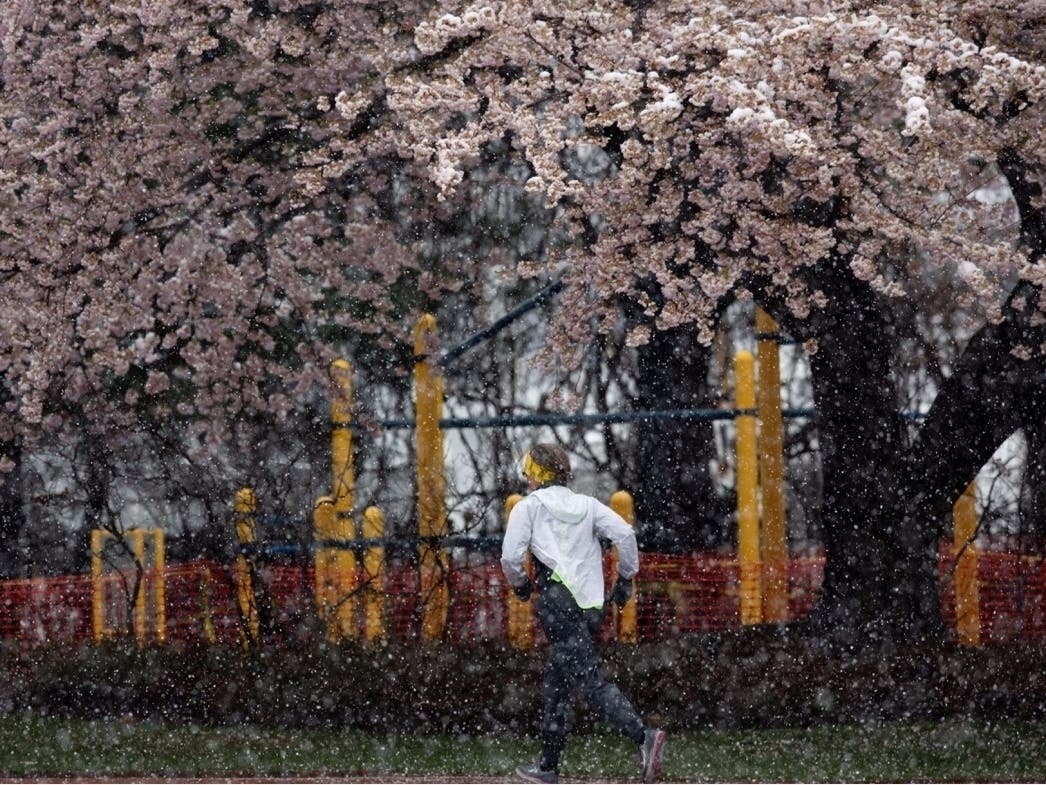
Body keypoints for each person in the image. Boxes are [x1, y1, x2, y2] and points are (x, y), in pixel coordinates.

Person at [501, 443, 667, 784]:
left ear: (536, 475)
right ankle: (548, 765)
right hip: (591, 605)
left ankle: (643, 737)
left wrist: (519, 585)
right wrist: (625, 578)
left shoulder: (528, 508)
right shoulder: (588, 506)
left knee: (589, 682)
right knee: (557, 681)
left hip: (557, 601)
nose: (525, 478)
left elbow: (510, 557)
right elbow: (625, 534)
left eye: (528, 472)